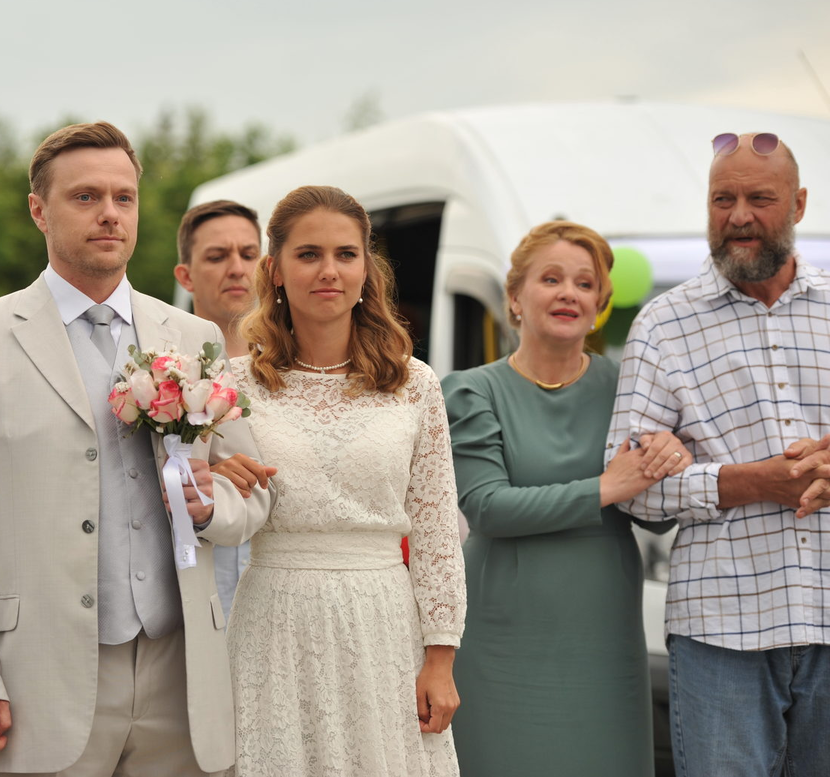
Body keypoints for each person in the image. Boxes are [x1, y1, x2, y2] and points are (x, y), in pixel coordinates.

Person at [0, 121, 272, 776]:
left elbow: (251, 494)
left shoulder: (191, 336)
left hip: (182, 673)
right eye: (85, 197)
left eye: (123, 197)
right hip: (41, 677)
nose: (109, 213)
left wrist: (209, 507)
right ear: (38, 210)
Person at [608, 132, 830, 776]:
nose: (738, 216)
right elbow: (631, 490)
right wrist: (752, 480)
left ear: (799, 204)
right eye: (722, 199)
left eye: (760, 199)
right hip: (721, 629)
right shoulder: (662, 326)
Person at [227, 185, 464, 776]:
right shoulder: (232, 385)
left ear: (366, 270)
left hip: (383, 623)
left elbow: (436, 528)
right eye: (308, 254)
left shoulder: (414, 384)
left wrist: (440, 658)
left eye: (345, 254)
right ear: (275, 271)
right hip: (273, 620)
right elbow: (211, 511)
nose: (328, 270)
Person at [441, 221, 692, 776]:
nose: (568, 294)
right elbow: (488, 507)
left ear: (599, 304)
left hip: (601, 627)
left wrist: (670, 459)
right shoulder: (471, 391)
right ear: (515, 297)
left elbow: (657, 519)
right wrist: (608, 486)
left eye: (585, 284)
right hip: (501, 626)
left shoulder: (629, 387)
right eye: (551, 279)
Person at [174, 199, 273, 620]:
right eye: (217, 256)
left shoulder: (298, 370)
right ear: (186, 276)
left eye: (248, 254)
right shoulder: (162, 373)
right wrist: (207, 475)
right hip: (194, 592)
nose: (236, 268)